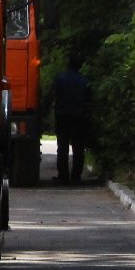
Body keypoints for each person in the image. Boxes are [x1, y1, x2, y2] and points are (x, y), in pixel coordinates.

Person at [50, 55, 93, 185]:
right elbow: (89, 100)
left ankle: (63, 176)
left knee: (62, 147)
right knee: (78, 147)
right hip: (79, 117)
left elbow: (52, 95)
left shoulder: (60, 78)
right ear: (79, 66)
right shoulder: (84, 80)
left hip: (62, 116)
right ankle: (76, 177)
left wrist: (45, 109)